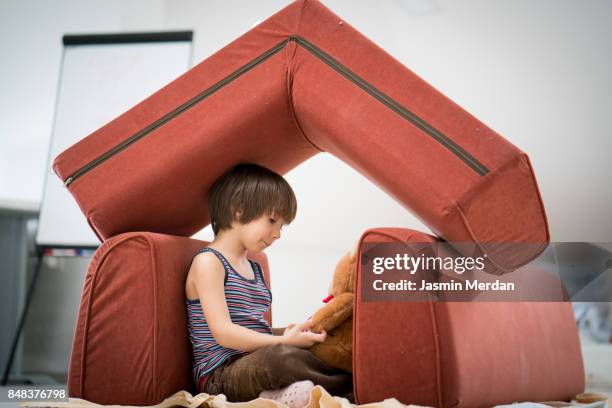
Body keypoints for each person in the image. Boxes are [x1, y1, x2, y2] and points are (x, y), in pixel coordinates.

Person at [184, 163, 353, 407]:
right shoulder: (209, 262)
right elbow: (224, 334)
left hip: (253, 362)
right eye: (272, 220)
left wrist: (293, 333)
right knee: (280, 357)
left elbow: (256, 331)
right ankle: (348, 390)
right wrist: (284, 341)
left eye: (281, 226)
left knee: (318, 344)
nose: (277, 234)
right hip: (220, 376)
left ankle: (281, 396)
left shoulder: (254, 267)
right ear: (238, 211)